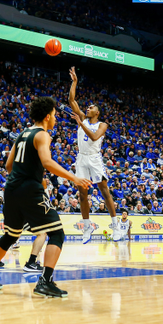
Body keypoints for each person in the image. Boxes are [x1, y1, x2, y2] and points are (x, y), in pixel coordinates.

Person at [0, 97, 92, 297]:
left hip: (11, 188)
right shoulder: (42, 135)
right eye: (54, 115)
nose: (55, 119)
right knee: (57, 233)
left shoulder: (21, 134)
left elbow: (9, 166)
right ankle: (45, 281)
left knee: (11, 235)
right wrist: (74, 178)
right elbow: (46, 161)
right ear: (47, 117)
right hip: (29, 189)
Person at [68, 67, 120, 243]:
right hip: (81, 157)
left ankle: (116, 225)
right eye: (87, 107)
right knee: (82, 194)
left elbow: (94, 137)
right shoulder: (82, 118)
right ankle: (87, 226)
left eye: (91, 108)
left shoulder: (102, 125)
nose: (87, 108)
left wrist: (79, 123)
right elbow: (71, 100)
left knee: (104, 191)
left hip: (95, 157)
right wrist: (74, 82)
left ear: (96, 113)